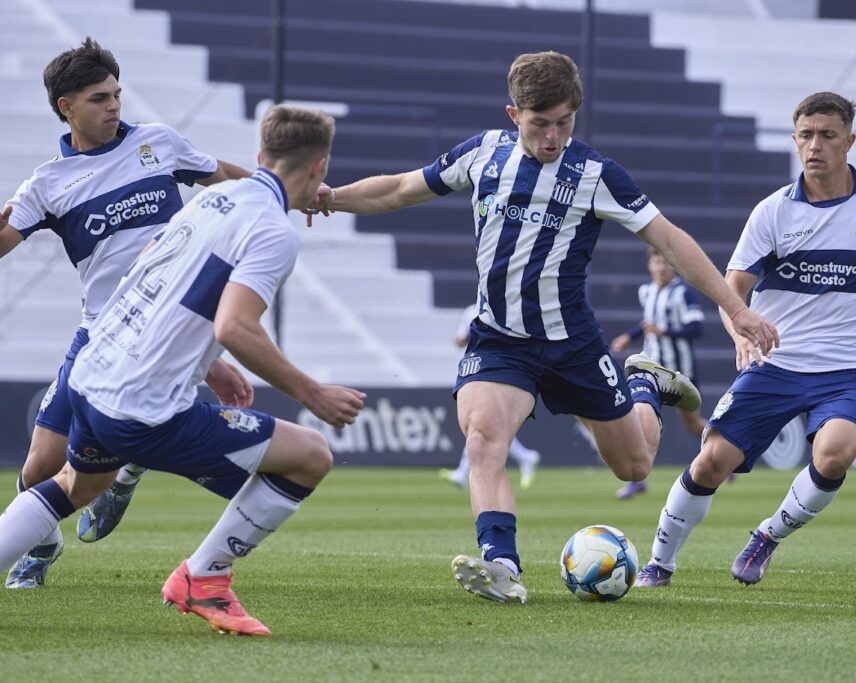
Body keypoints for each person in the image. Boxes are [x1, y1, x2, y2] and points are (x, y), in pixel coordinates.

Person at [306, 51, 778, 604]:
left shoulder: (597, 174)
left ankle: (646, 385)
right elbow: (399, 188)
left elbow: (669, 241)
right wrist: (333, 197)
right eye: (540, 124)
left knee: (633, 465)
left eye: (564, 122)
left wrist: (736, 309)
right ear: (514, 115)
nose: (553, 137)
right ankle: (502, 565)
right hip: (499, 341)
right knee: (483, 439)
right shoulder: (483, 154)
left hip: (572, 345)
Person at [0, 104, 364, 636]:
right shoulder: (272, 231)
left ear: (261, 154)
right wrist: (314, 395)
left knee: (74, 484)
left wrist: (206, 362)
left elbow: (147, 263)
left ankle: (145, 509)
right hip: (142, 407)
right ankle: (204, 576)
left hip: (92, 374)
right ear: (319, 166)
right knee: (310, 456)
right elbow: (235, 327)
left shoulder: (215, 198)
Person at [634, 92, 856, 589]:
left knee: (835, 452)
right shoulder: (772, 212)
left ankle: (767, 536)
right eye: (806, 135)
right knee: (712, 462)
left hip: (848, 363)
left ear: (849, 141)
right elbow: (730, 290)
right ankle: (659, 563)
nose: (815, 145)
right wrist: (740, 332)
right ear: (794, 140)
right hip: (776, 359)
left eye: (828, 135)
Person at [0, 38, 252, 589]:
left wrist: (280, 190)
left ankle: (126, 468)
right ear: (66, 107)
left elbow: (221, 174)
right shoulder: (47, 184)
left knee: (116, 449)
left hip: (163, 331)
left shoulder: (158, 142)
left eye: (116, 94)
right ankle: (44, 542)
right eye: (99, 98)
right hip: (98, 334)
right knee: (39, 469)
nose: (114, 105)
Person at [610, 248, 707, 500]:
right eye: (657, 262)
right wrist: (629, 336)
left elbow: (696, 328)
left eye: (666, 262)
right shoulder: (647, 291)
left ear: (673, 266)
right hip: (649, 370)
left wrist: (665, 332)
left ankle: (721, 454)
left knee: (693, 424)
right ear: (650, 265)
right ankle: (636, 480)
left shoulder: (684, 292)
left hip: (678, 371)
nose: (661, 267)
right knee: (639, 420)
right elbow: (648, 324)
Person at [440, 303, 541, 489]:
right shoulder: (503, 308)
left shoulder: (476, 311)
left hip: (485, 371)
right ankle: (524, 457)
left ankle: (464, 473)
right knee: (484, 427)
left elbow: (460, 341)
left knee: (483, 426)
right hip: (493, 369)